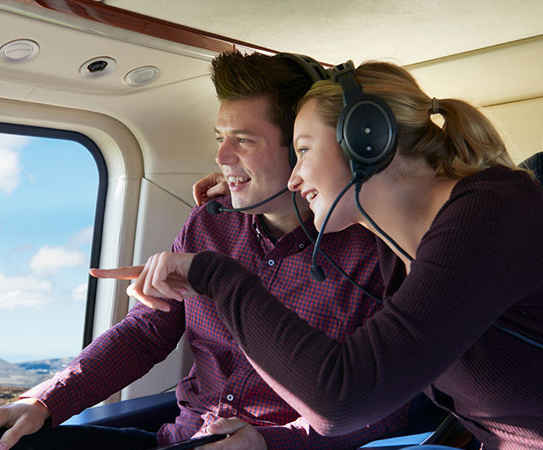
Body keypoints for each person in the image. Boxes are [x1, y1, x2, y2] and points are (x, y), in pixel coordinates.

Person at [0, 52, 410, 450]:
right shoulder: (210, 224)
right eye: (220, 138)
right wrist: (45, 400)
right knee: (0, 444)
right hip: (177, 438)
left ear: (303, 148)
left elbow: (388, 408)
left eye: (244, 140)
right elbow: (147, 331)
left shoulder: (376, 253)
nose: (222, 158)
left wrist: (270, 441)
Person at [108, 60, 543, 449]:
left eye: (303, 151)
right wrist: (248, 185)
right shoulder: (400, 249)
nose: (295, 178)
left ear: (365, 143)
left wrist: (216, 276)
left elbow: (343, 399)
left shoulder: (491, 213)